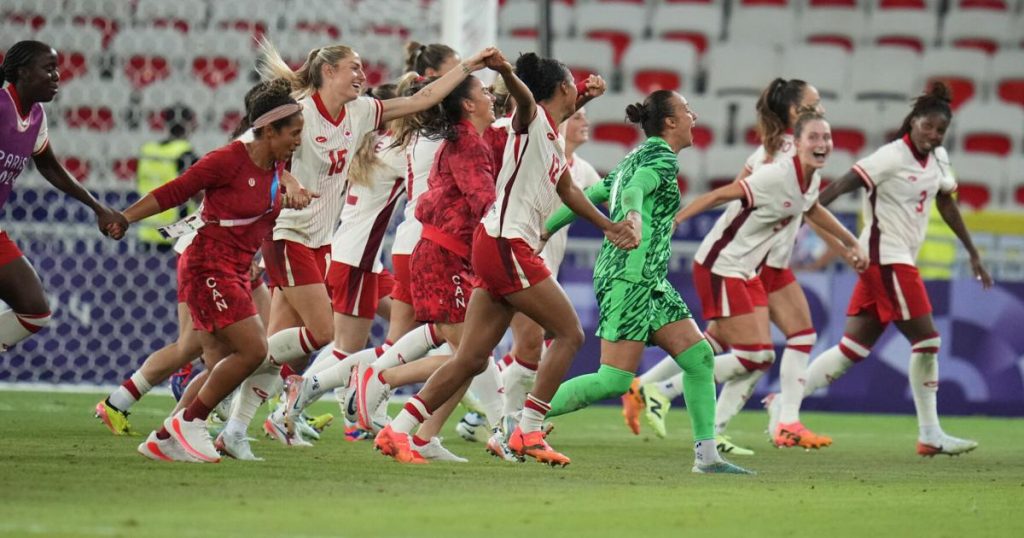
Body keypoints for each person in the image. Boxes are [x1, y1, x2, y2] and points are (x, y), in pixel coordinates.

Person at [213, 39, 497, 452]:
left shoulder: (362, 112)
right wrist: (285, 179)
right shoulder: (300, 110)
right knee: (322, 332)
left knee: (280, 348)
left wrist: (470, 64)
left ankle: (235, 429)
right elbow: (246, 146)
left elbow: (424, 98)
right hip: (288, 234)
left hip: (326, 242)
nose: (362, 75)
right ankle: (219, 383)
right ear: (328, 72)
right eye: (354, 67)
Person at [374, 51, 638, 465]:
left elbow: (569, 192)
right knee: (569, 334)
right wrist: (506, 73)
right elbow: (529, 103)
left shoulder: (547, 136)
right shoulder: (528, 119)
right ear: (563, 89)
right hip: (505, 242)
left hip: (495, 243)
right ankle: (527, 431)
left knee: (472, 358)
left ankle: (399, 429)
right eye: (572, 89)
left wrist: (608, 227)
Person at [541, 90, 753, 474]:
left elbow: (592, 193)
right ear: (670, 122)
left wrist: (545, 230)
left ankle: (707, 457)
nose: (694, 115)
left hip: (650, 279)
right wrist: (635, 217)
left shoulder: (634, 156)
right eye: (687, 110)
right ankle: (518, 421)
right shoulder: (660, 159)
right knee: (613, 381)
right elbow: (637, 188)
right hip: (629, 276)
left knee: (699, 358)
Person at [788, 83, 992, 456]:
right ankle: (930, 434)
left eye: (940, 130)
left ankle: (784, 406)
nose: (932, 135)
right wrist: (807, 209)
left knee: (851, 349)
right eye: (927, 127)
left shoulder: (939, 158)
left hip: (893, 261)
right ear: (913, 122)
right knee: (928, 342)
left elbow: (946, 202)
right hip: (886, 258)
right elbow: (847, 182)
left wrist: (973, 252)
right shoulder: (890, 157)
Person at [629, 79, 833, 452]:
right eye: (812, 104)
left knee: (731, 343)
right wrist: (678, 220)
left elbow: (764, 197)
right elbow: (735, 194)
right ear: (793, 112)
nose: (819, 111)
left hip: (758, 260)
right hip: (755, 262)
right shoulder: (787, 154)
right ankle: (781, 418)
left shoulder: (775, 149)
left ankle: (663, 396)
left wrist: (848, 244)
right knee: (761, 352)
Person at [116, 80, 313, 463]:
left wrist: (292, 195)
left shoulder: (276, 165)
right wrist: (125, 218)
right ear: (269, 131)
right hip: (208, 265)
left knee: (220, 360)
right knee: (254, 350)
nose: (299, 141)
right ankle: (190, 423)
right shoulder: (227, 159)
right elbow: (175, 190)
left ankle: (165, 435)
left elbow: (257, 208)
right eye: (294, 133)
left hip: (238, 268)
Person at [674, 111, 868, 453]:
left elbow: (813, 210)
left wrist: (851, 242)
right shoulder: (775, 176)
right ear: (797, 143)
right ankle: (664, 391)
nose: (823, 144)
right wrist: (677, 220)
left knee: (761, 354)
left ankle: (761, 424)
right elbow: (720, 195)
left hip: (745, 269)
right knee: (753, 354)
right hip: (722, 265)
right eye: (814, 137)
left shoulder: (808, 179)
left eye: (827, 137)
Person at [95, 84, 275, 438]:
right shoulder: (244, 149)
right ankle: (176, 421)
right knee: (201, 347)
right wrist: (128, 218)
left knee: (248, 344)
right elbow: (187, 191)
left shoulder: (279, 149)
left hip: (230, 255)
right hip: (203, 250)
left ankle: (178, 415)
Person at [479, 107, 602, 445]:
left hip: (545, 266)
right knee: (535, 344)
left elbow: (602, 195)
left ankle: (491, 416)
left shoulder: (584, 171)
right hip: (518, 257)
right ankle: (508, 424)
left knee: (495, 351)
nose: (585, 121)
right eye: (578, 116)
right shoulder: (533, 150)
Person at [0, 40, 126, 353]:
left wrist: (98, 208)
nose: (57, 76)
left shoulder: (36, 117)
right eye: (49, 68)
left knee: (34, 312)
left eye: (57, 68)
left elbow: (51, 168)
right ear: (23, 73)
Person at [135, 104, 199, 248]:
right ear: (190, 124)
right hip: (174, 234)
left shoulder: (148, 150)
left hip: (147, 230)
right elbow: (197, 195)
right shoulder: (185, 154)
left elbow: (138, 182)